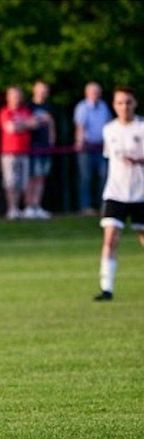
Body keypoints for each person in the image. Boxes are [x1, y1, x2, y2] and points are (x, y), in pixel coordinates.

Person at [93, 86, 144, 302]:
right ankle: (107, 288)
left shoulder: (142, 127)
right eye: (120, 103)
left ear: (135, 103)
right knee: (110, 238)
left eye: (128, 102)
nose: (124, 107)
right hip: (115, 192)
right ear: (114, 105)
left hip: (141, 193)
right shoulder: (109, 129)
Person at [0, 86, 40, 220]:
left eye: (18, 96)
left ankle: (23, 209)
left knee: (23, 183)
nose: (16, 99)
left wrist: (20, 125)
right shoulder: (5, 112)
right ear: (8, 97)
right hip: (9, 152)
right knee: (10, 182)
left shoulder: (25, 110)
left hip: (24, 151)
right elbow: (10, 128)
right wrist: (25, 124)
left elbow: (35, 124)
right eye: (13, 96)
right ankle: (12, 209)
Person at [74, 82, 113, 215]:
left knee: (104, 176)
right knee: (86, 177)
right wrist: (80, 142)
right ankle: (85, 206)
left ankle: (104, 205)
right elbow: (80, 126)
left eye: (97, 92)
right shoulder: (82, 107)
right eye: (93, 92)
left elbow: (109, 124)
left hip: (102, 147)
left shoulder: (103, 106)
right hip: (87, 148)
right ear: (87, 93)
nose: (95, 94)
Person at [24, 81, 55, 220]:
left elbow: (51, 124)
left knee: (41, 177)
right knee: (32, 177)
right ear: (34, 90)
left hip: (45, 147)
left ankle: (37, 206)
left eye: (45, 90)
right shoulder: (28, 106)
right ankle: (29, 207)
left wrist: (52, 141)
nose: (43, 92)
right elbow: (27, 124)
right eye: (40, 90)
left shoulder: (48, 106)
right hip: (32, 147)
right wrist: (36, 120)